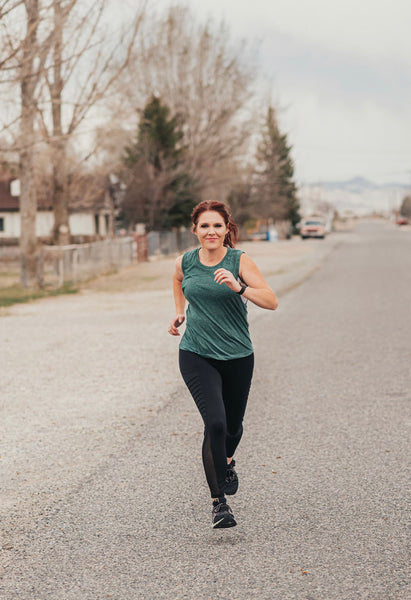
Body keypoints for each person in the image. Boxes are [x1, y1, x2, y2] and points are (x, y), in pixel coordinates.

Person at [168, 200, 278, 528]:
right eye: (205, 226)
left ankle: (226, 461)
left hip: (238, 355)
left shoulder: (239, 260)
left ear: (227, 228)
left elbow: (271, 300)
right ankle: (219, 503)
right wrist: (179, 311)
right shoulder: (185, 261)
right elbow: (177, 280)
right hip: (196, 353)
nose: (211, 231)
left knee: (232, 428)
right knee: (214, 423)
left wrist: (239, 287)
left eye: (217, 225)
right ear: (195, 230)